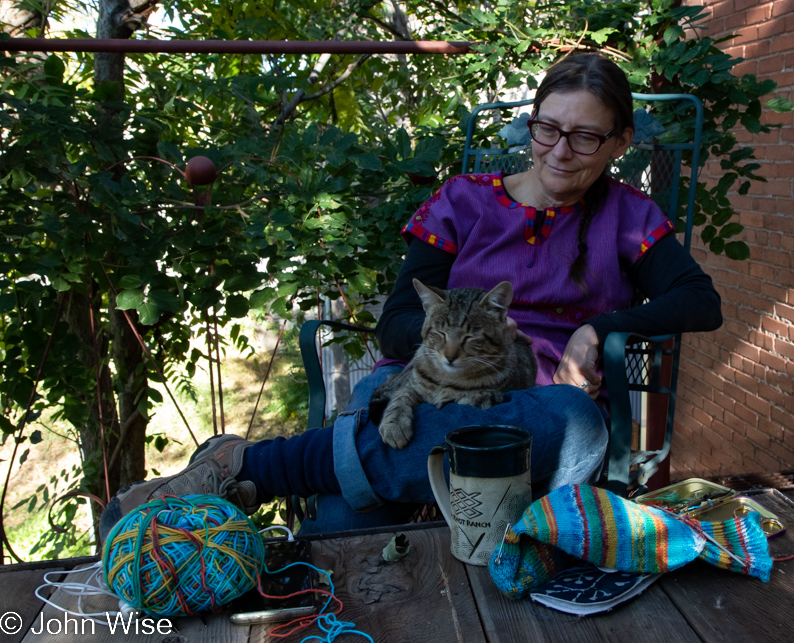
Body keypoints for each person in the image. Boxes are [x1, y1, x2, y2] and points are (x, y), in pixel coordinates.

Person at [99, 53, 723, 539]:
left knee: (577, 422)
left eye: (586, 137)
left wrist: (597, 328)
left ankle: (251, 467)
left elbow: (701, 300)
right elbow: (398, 317)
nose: (559, 152)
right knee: (354, 516)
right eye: (547, 130)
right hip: (421, 381)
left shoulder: (629, 215)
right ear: (530, 124)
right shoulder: (463, 201)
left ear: (619, 143)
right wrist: (434, 361)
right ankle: (267, 477)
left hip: (533, 405)